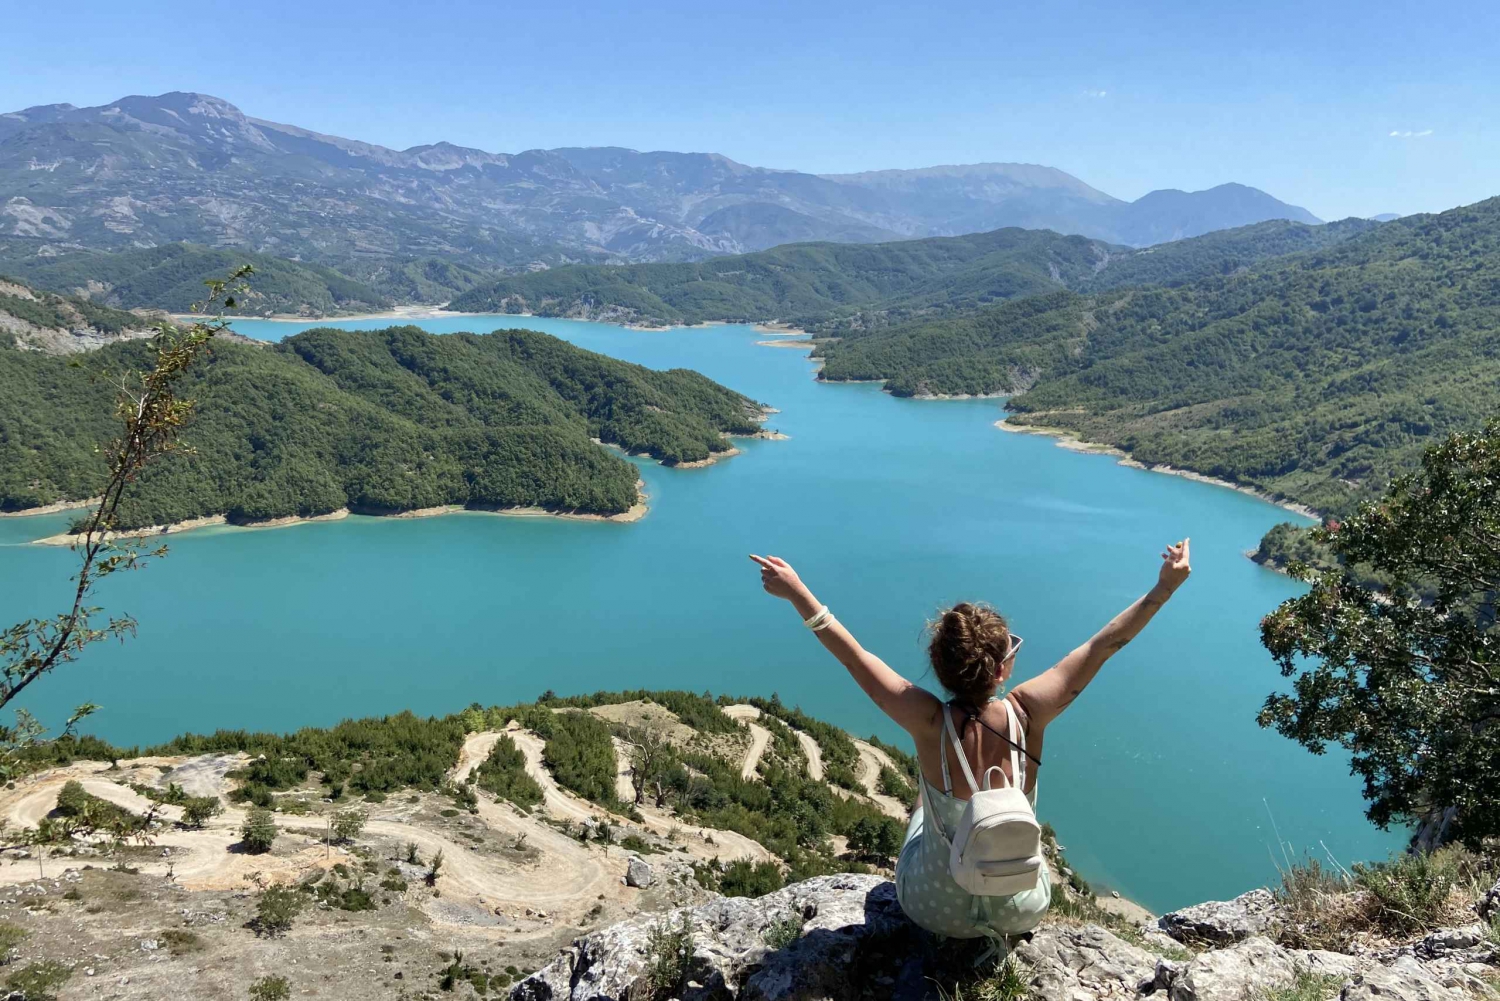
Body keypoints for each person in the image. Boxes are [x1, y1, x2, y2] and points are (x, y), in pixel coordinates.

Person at [748, 539, 1192, 945]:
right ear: (1002, 669)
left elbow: (853, 655)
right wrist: (1164, 588)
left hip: (933, 911)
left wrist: (797, 592)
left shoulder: (927, 721)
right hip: (1020, 908)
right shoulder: (1029, 713)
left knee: (924, 808)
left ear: (940, 668)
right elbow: (1103, 645)